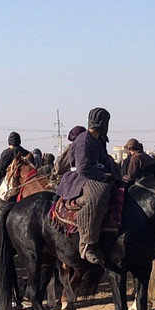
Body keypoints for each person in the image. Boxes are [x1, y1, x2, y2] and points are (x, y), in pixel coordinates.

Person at [54, 108, 116, 265]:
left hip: (94, 176)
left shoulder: (98, 140)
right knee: (98, 195)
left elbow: (106, 161)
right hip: (79, 179)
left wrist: (115, 175)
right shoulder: (83, 140)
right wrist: (102, 175)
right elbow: (83, 167)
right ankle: (86, 244)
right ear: (102, 123)